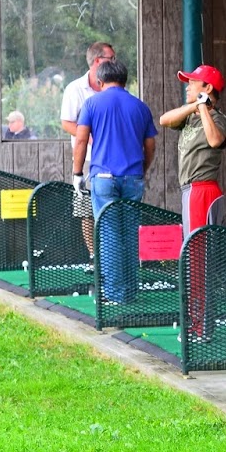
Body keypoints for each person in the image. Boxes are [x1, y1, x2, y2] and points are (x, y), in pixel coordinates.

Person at [73, 57, 158, 305]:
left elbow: (80, 140)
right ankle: (130, 291)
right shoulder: (140, 106)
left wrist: (77, 173)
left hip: (103, 178)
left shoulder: (92, 104)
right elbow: (150, 145)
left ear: (99, 82)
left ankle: (113, 293)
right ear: (124, 80)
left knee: (109, 235)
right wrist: (141, 169)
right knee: (130, 233)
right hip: (133, 177)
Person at [61, 42, 115, 256]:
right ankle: (94, 256)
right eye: (111, 58)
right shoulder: (74, 88)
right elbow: (66, 122)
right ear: (97, 61)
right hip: (85, 158)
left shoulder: (114, 87)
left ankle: (110, 255)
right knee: (86, 210)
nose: (114, 62)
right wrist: (90, 137)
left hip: (111, 157)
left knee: (110, 206)